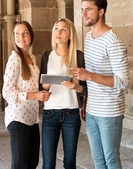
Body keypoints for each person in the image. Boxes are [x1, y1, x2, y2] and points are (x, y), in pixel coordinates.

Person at [72, 0, 130, 169]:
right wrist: (85, 102)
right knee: (98, 160)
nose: (84, 14)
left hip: (109, 112)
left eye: (88, 10)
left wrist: (89, 76)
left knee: (111, 160)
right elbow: (90, 78)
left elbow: (123, 81)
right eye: (82, 10)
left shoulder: (113, 41)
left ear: (101, 12)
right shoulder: (89, 37)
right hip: (91, 110)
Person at [2, 21, 51, 169]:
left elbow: (33, 85)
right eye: (17, 33)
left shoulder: (32, 58)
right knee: (19, 164)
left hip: (32, 117)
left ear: (31, 36)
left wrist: (44, 90)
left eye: (25, 33)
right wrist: (35, 95)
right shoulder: (14, 59)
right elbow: (7, 92)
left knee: (32, 162)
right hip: (17, 117)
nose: (21, 37)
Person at [40, 18, 87, 169]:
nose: (58, 32)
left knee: (69, 162)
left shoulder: (79, 56)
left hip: (71, 114)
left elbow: (86, 89)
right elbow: (41, 87)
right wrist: (47, 83)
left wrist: (75, 87)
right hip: (49, 114)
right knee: (48, 164)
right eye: (56, 28)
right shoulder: (46, 56)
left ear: (70, 35)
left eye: (63, 29)